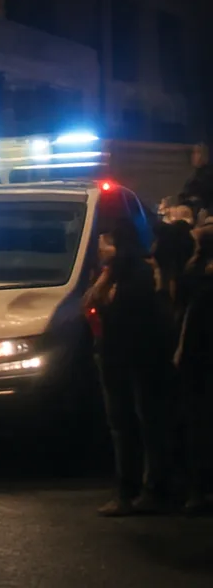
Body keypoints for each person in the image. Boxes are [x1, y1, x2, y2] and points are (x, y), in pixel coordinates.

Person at [84, 218, 174, 516]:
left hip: (133, 359)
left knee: (136, 424)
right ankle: (142, 489)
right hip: (126, 358)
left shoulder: (132, 275)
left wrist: (106, 278)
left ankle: (141, 490)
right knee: (136, 424)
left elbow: (100, 303)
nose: (98, 246)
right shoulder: (126, 272)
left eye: (104, 240)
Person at [176, 222, 213, 513]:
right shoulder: (199, 277)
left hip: (195, 359)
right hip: (199, 358)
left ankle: (198, 489)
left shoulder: (193, 276)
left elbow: (188, 321)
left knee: (197, 426)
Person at [181, 144, 213, 215]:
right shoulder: (193, 175)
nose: (194, 156)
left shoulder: (208, 175)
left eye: (198, 152)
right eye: (193, 153)